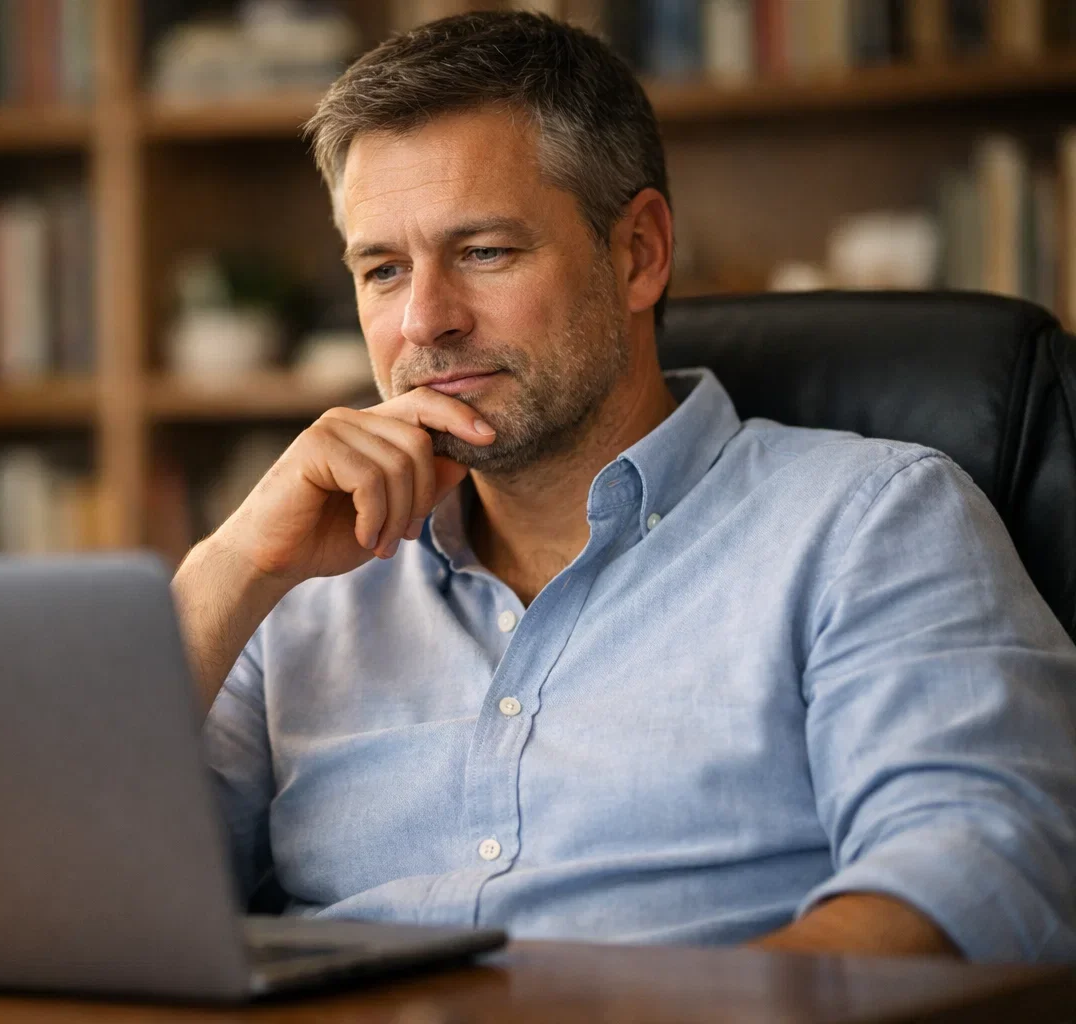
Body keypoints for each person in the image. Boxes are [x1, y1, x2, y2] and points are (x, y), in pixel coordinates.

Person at [171, 11, 1076, 961]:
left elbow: (983, 878)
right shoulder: (298, 590)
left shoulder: (871, 523)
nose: (424, 322)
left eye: (484, 252)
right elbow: (61, 896)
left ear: (639, 251)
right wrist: (229, 567)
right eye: (383, 269)